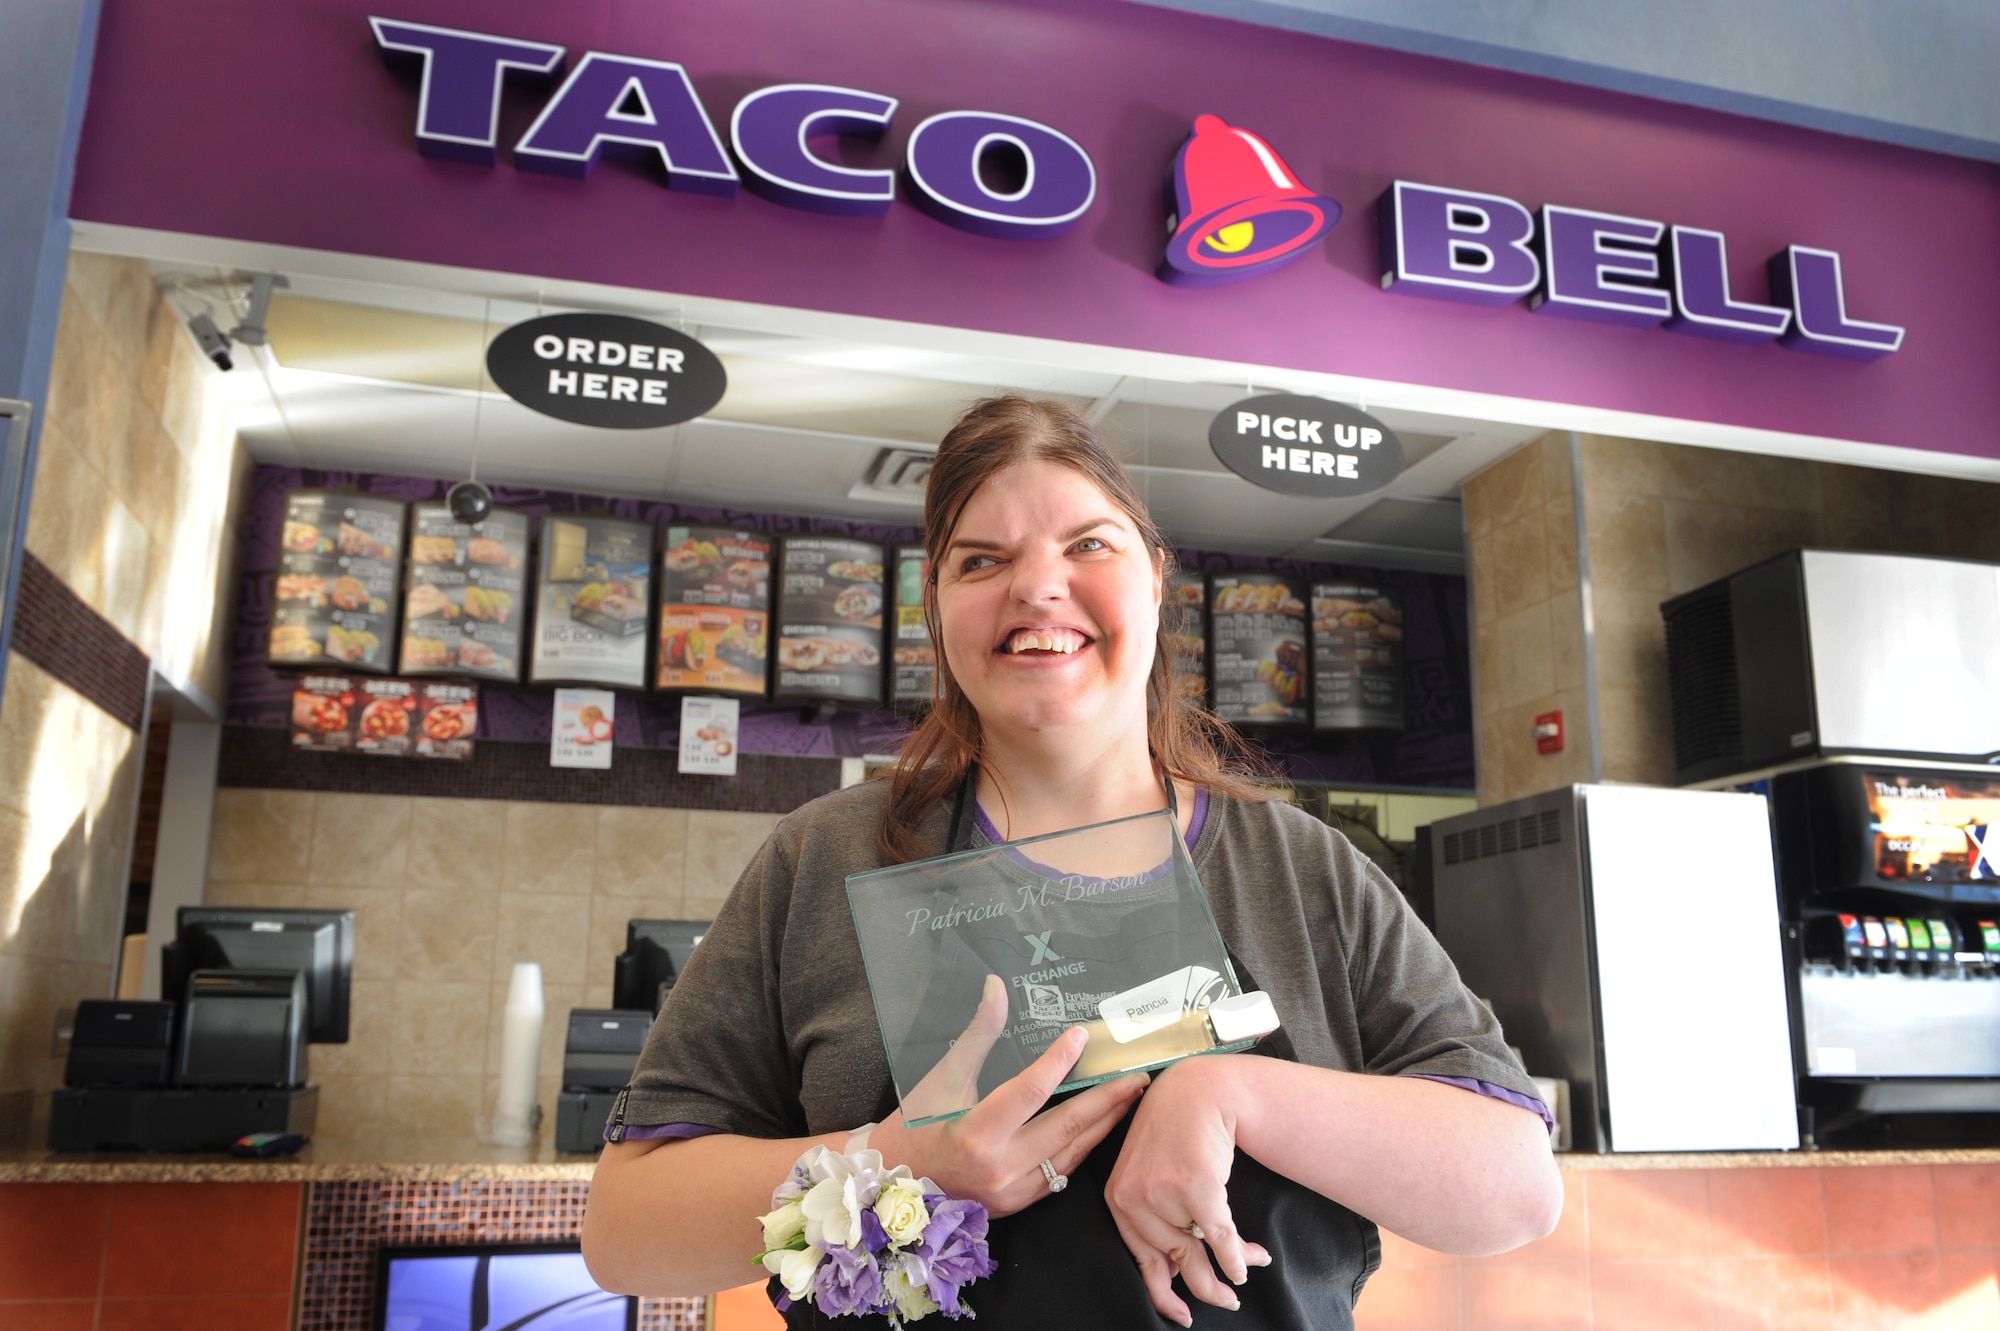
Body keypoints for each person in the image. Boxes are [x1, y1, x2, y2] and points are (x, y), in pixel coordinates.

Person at [583, 397, 1562, 1328]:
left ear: (1153, 577)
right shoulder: (819, 858)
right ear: (937, 605)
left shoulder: (1304, 870)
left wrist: (1232, 1091)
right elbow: (627, 1235)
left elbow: (1515, 1187)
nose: (1036, 585)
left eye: (1087, 543)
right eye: (981, 559)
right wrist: (893, 1163)